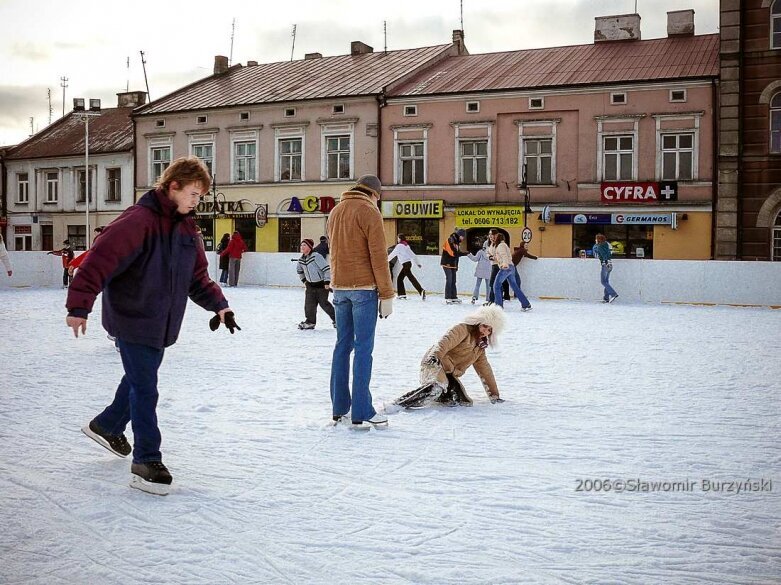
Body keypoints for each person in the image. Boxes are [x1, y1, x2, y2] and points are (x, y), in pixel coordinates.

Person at [66, 156, 239, 496]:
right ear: (172, 186)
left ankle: (107, 425)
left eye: (200, 196)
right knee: (146, 388)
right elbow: (98, 261)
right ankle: (147, 460)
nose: (196, 201)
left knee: (137, 379)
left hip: (161, 322)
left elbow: (197, 277)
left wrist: (221, 306)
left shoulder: (187, 227)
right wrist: (79, 305)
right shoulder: (138, 221)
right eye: (192, 193)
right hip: (132, 316)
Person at [327, 174, 394, 428]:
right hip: (364, 289)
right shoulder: (369, 211)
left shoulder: (335, 211)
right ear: (374, 194)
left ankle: (339, 408)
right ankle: (362, 410)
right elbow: (379, 256)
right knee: (363, 349)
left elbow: (335, 250)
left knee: (342, 347)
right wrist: (386, 294)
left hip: (340, 289)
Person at [392, 305, 506, 409]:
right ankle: (400, 404)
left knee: (463, 402)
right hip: (435, 363)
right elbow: (444, 343)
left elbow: (485, 370)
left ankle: (441, 396)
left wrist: (494, 395)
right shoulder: (462, 329)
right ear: (478, 323)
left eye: (489, 330)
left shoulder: (480, 348)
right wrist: (434, 357)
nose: (485, 331)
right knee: (438, 387)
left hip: (449, 374)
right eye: (484, 326)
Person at [296, 238, 335, 330]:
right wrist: (305, 281)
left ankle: (337, 320)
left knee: (324, 304)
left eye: (304, 245)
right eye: (301, 245)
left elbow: (326, 269)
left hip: (321, 285)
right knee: (309, 305)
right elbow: (299, 271)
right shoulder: (301, 260)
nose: (302, 247)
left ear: (309, 247)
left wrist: (326, 282)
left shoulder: (316, 256)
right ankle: (310, 322)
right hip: (310, 286)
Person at [492, 233, 532, 311]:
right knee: (515, 287)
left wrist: (505, 264)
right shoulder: (504, 245)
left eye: (495, 238)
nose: (493, 239)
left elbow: (504, 256)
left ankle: (498, 306)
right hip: (511, 267)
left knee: (496, 286)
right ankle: (526, 304)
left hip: (506, 267)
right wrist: (494, 258)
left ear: (498, 239)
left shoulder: (500, 246)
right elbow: (505, 256)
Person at [387, 234, 426, 300]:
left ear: (400, 238)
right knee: (400, 278)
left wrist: (386, 260)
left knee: (409, 278)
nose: (397, 239)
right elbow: (413, 255)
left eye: (398, 238)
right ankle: (402, 295)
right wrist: (417, 263)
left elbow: (393, 254)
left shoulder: (399, 246)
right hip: (408, 264)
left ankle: (421, 290)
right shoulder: (406, 245)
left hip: (406, 264)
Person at [441, 228, 466, 304]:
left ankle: (453, 296)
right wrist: (463, 253)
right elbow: (452, 253)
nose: (463, 238)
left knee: (453, 281)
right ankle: (448, 297)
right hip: (447, 263)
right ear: (459, 235)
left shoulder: (457, 242)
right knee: (449, 280)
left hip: (453, 264)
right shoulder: (450, 240)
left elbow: (456, 255)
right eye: (463, 237)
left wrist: (456, 265)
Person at [593, 233, 619, 303]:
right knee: (606, 281)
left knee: (603, 281)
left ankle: (613, 294)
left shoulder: (600, 246)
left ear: (598, 239)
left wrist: (606, 262)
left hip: (605, 264)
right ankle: (606, 298)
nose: (595, 240)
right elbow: (609, 253)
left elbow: (602, 255)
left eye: (596, 239)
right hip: (610, 264)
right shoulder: (606, 245)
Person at [486, 229, 509, 305]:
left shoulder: (499, 244)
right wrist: (490, 257)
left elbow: (502, 255)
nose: (490, 236)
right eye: (489, 235)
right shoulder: (490, 244)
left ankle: (494, 301)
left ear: (496, 235)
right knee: (493, 283)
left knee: (495, 283)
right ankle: (493, 300)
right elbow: (488, 252)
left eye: (491, 234)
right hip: (494, 265)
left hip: (499, 265)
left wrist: (494, 257)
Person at [511, 241, 537, 306]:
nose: (527, 246)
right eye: (525, 245)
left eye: (527, 245)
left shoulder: (520, 250)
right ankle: (517, 295)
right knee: (517, 281)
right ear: (522, 245)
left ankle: (516, 295)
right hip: (511, 266)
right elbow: (527, 255)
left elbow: (524, 255)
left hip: (512, 266)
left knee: (515, 281)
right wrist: (535, 257)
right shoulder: (522, 250)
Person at [466, 236, 492, 304]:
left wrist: (469, 255)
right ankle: (488, 298)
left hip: (480, 270)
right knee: (488, 285)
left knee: (477, 284)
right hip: (488, 270)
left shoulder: (480, 252)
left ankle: (474, 297)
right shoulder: (491, 253)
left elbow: (475, 259)